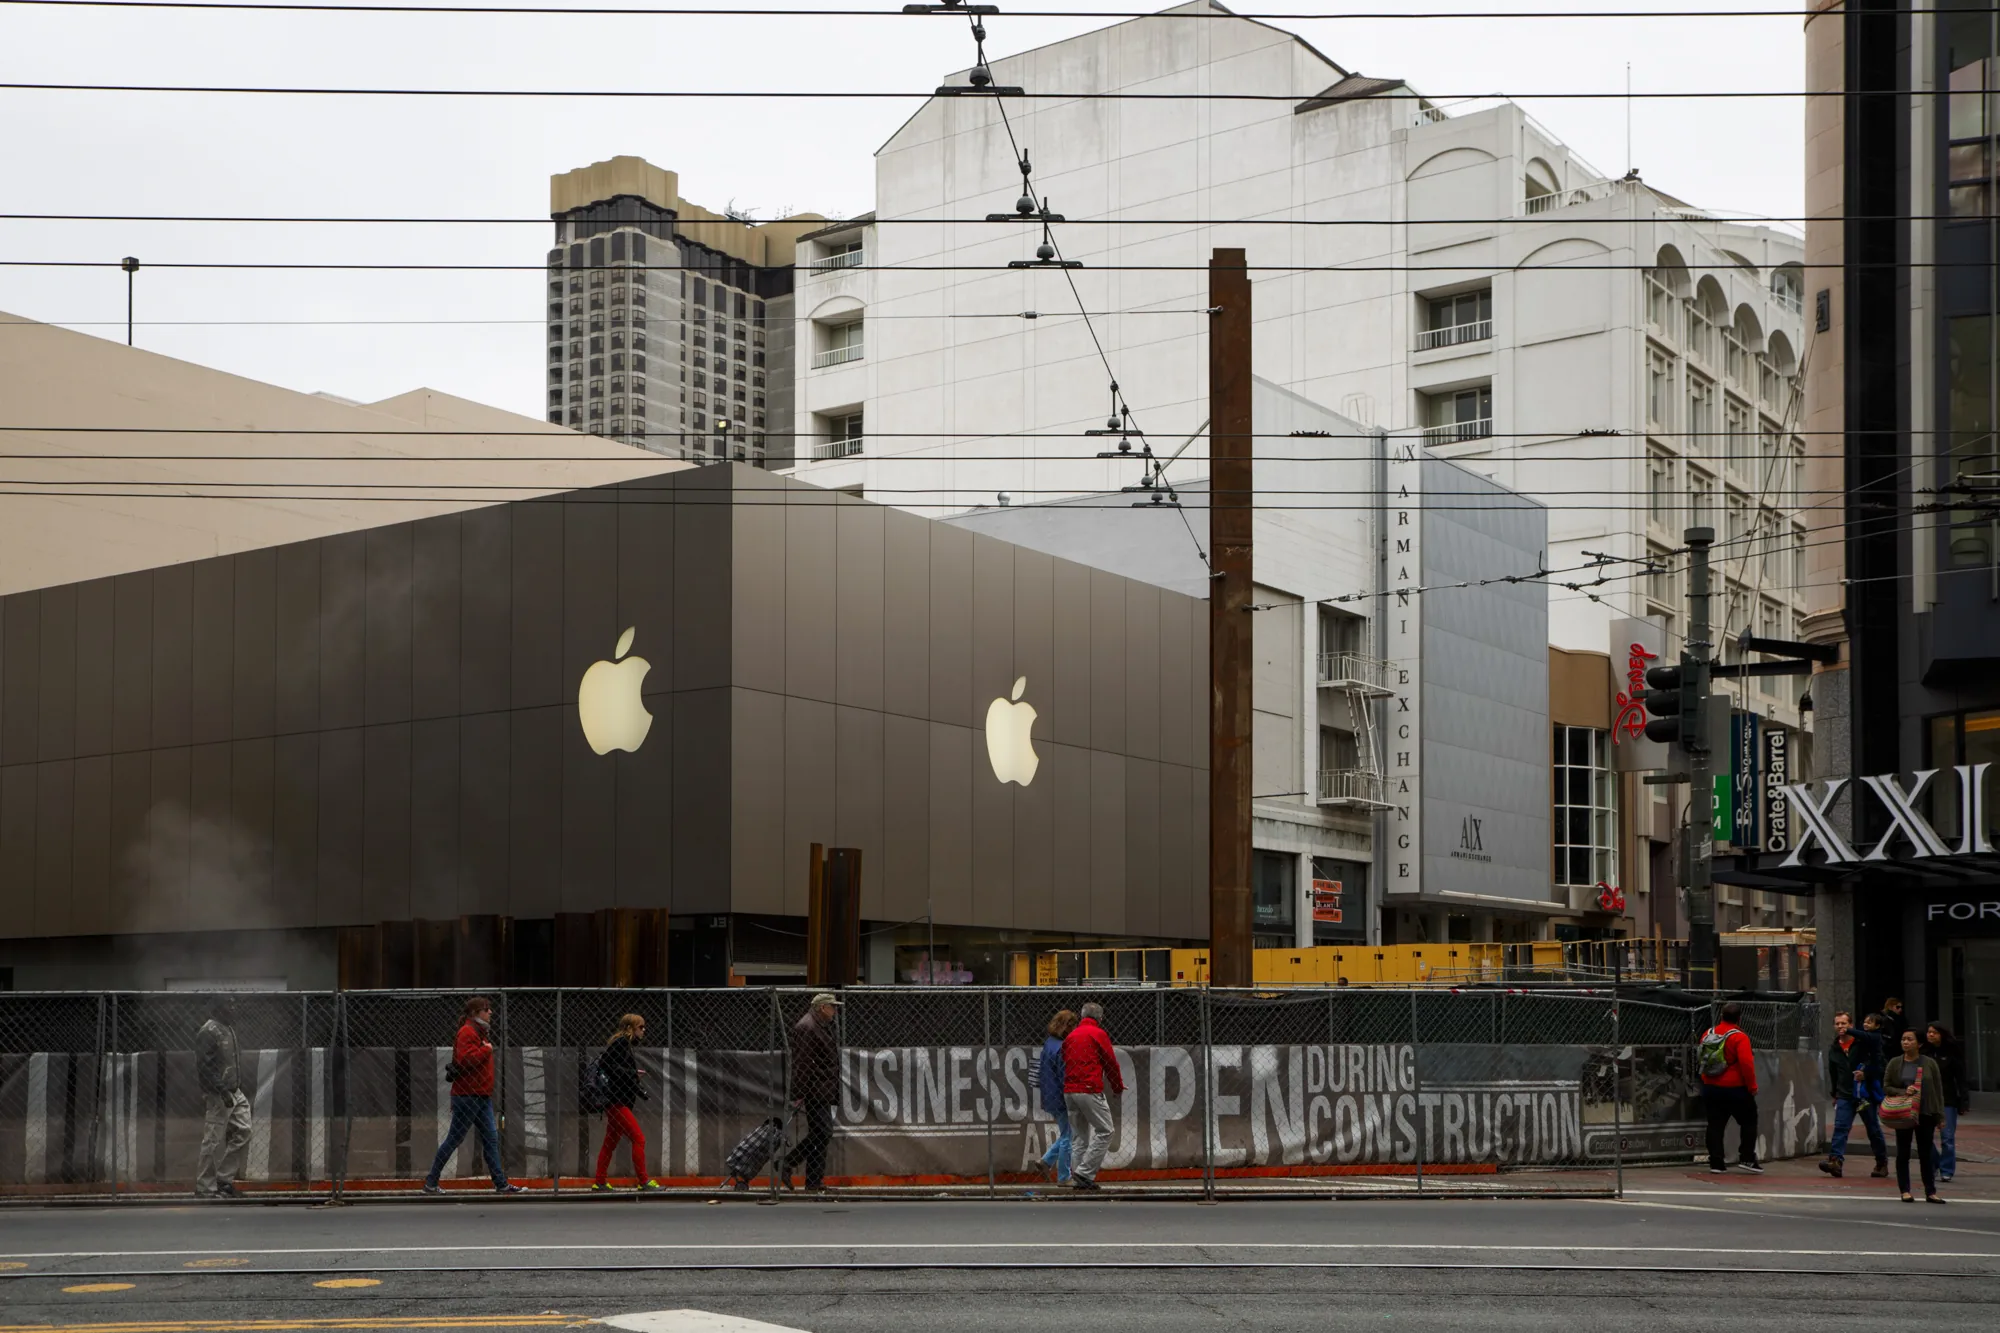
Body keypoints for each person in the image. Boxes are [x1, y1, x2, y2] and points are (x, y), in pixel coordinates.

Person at [422, 996, 523, 1195]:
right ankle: (431, 1182)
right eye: (486, 1009)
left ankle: (500, 1184)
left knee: (491, 1139)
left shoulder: (478, 1032)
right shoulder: (467, 1032)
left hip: (480, 1096)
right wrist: (485, 1050)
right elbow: (465, 1059)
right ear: (476, 1013)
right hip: (468, 1096)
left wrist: (484, 1047)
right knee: (455, 1139)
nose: (490, 1012)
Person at [780, 992, 842, 1193]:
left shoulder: (817, 1025)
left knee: (819, 1134)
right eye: (832, 1006)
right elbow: (802, 1063)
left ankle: (813, 1182)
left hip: (820, 1088)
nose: (835, 1010)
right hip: (815, 1089)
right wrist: (799, 1092)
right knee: (823, 1132)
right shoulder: (807, 1027)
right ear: (822, 1008)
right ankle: (788, 1163)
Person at [1061, 1000, 1124, 1191]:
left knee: (1079, 1137)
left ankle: (1077, 1178)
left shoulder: (1071, 1036)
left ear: (1082, 1016)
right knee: (1106, 1131)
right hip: (1088, 1088)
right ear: (1100, 1018)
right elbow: (1110, 1062)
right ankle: (1085, 1173)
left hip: (1070, 1090)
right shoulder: (1098, 1034)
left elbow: (1064, 1059)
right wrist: (1117, 1086)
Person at [1819, 1011, 1888, 1179]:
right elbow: (1834, 1072)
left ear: (1851, 1025)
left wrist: (1867, 1075)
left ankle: (1881, 1162)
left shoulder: (1864, 1042)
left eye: (1844, 1023)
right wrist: (1835, 1093)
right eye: (1837, 1024)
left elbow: (1880, 1066)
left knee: (1873, 1129)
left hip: (1865, 1094)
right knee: (1840, 1127)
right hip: (1844, 1094)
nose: (1841, 1027)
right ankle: (1835, 1161)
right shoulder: (1834, 1048)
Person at [194, 998, 252, 1199]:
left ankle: (223, 1181)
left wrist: (234, 1088)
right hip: (219, 1094)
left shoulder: (227, 1028)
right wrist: (222, 1091)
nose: (234, 1008)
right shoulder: (209, 1032)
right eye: (230, 1005)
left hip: (234, 1090)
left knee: (243, 1131)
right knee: (213, 1140)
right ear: (218, 1009)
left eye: (235, 1004)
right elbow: (205, 1068)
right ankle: (204, 1188)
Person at [593, 1014, 658, 1192]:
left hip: (618, 1100)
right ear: (630, 1028)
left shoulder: (623, 1045)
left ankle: (599, 1182)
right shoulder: (621, 1043)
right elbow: (606, 1064)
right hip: (617, 1102)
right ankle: (643, 1181)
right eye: (641, 1027)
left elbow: (617, 1069)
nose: (644, 1031)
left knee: (610, 1142)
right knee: (639, 1139)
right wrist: (631, 1073)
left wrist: (634, 1079)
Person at [1699, 1001, 1762, 1174]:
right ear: (1739, 1019)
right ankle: (1747, 1158)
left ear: (1721, 1016)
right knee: (1749, 1121)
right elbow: (1746, 1064)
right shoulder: (1739, 1037)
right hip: (1735, 1089)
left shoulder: (1708, 1033)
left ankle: (1716, 1162)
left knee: (1715, 1125)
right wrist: (1752, 1086)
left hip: (1711, 1087)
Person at [1885, 1027, 1945, 1204]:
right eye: (1903, 1039)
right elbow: (1886, 1086)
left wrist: (1940, 1116)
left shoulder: (1929, 1063)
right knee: (1903, 1152)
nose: (1905, 1042)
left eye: (1910, 1039)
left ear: (1919, 1043)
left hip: (1925, 1112)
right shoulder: (1895, 1063)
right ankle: (1905, 1190)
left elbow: (1938, 1090)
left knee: (1925, 1153)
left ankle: (1930, 1191)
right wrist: (1904, 1090)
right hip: (1903, 1113)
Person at [1924, 1023, 1971, 1183]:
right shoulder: (1924, 1052)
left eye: (1934, 1033)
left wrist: (1964, 1100)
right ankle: (1936, 1162)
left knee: (1947, 1137)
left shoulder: (1951, 1052)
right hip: (1926, 1099)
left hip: (1947, 1099)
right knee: (1924, 1136)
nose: (1930, 1035)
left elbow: (1961, 1078)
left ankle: (1947, 1170)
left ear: (1941, 1035)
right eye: (1929, 1032)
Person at [1036, 1010, 1078, 1184]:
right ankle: (1064, 1176)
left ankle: (1046, 1160)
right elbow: (1064, 1076)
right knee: (1069, 1135)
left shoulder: (1049, 1043)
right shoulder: (1062, 1047)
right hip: (1061, 1096)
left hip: (1049, 1095)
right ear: (1067, 1027)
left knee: (1066, 1133)